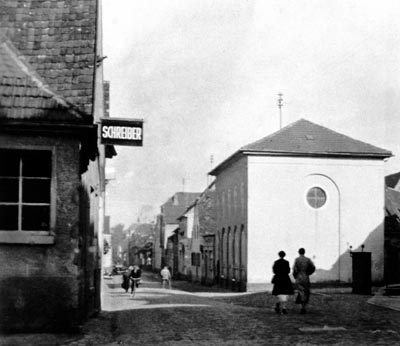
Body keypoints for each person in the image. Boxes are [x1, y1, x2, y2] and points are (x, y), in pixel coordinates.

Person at [292, 248, 316, 314]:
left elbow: (294, 269)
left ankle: (302, 307)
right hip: (306, 277)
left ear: (299, 252)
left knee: (301, 292)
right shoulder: (308, 259)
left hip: (299, 277)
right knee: (306, 292)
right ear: (304, 252)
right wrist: (308, 273)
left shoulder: (297, 260)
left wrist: (295, 276)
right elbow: (313, 267)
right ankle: (304, 307)